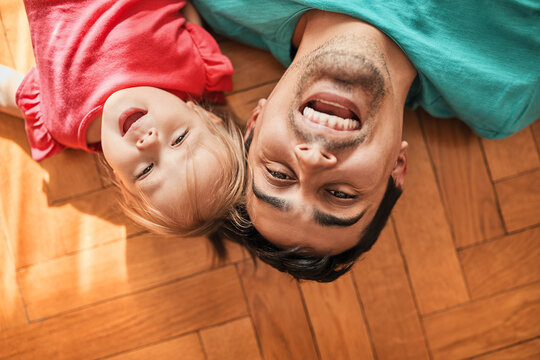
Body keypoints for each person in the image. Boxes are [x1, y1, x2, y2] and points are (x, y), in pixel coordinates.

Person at [193, 0, 540, 281]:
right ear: (396, 168)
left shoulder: (220, 6)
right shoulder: (506, 91)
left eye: (279, 175)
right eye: (340, 194)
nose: (313, 161)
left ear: (255, 122)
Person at [0, 0, 247, 252]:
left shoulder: (65, 125)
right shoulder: (195, 67)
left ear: (122, 184)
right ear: (203, 114)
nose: (150, 141)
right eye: (179, 139)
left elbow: (9, 91)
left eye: (146, 170)